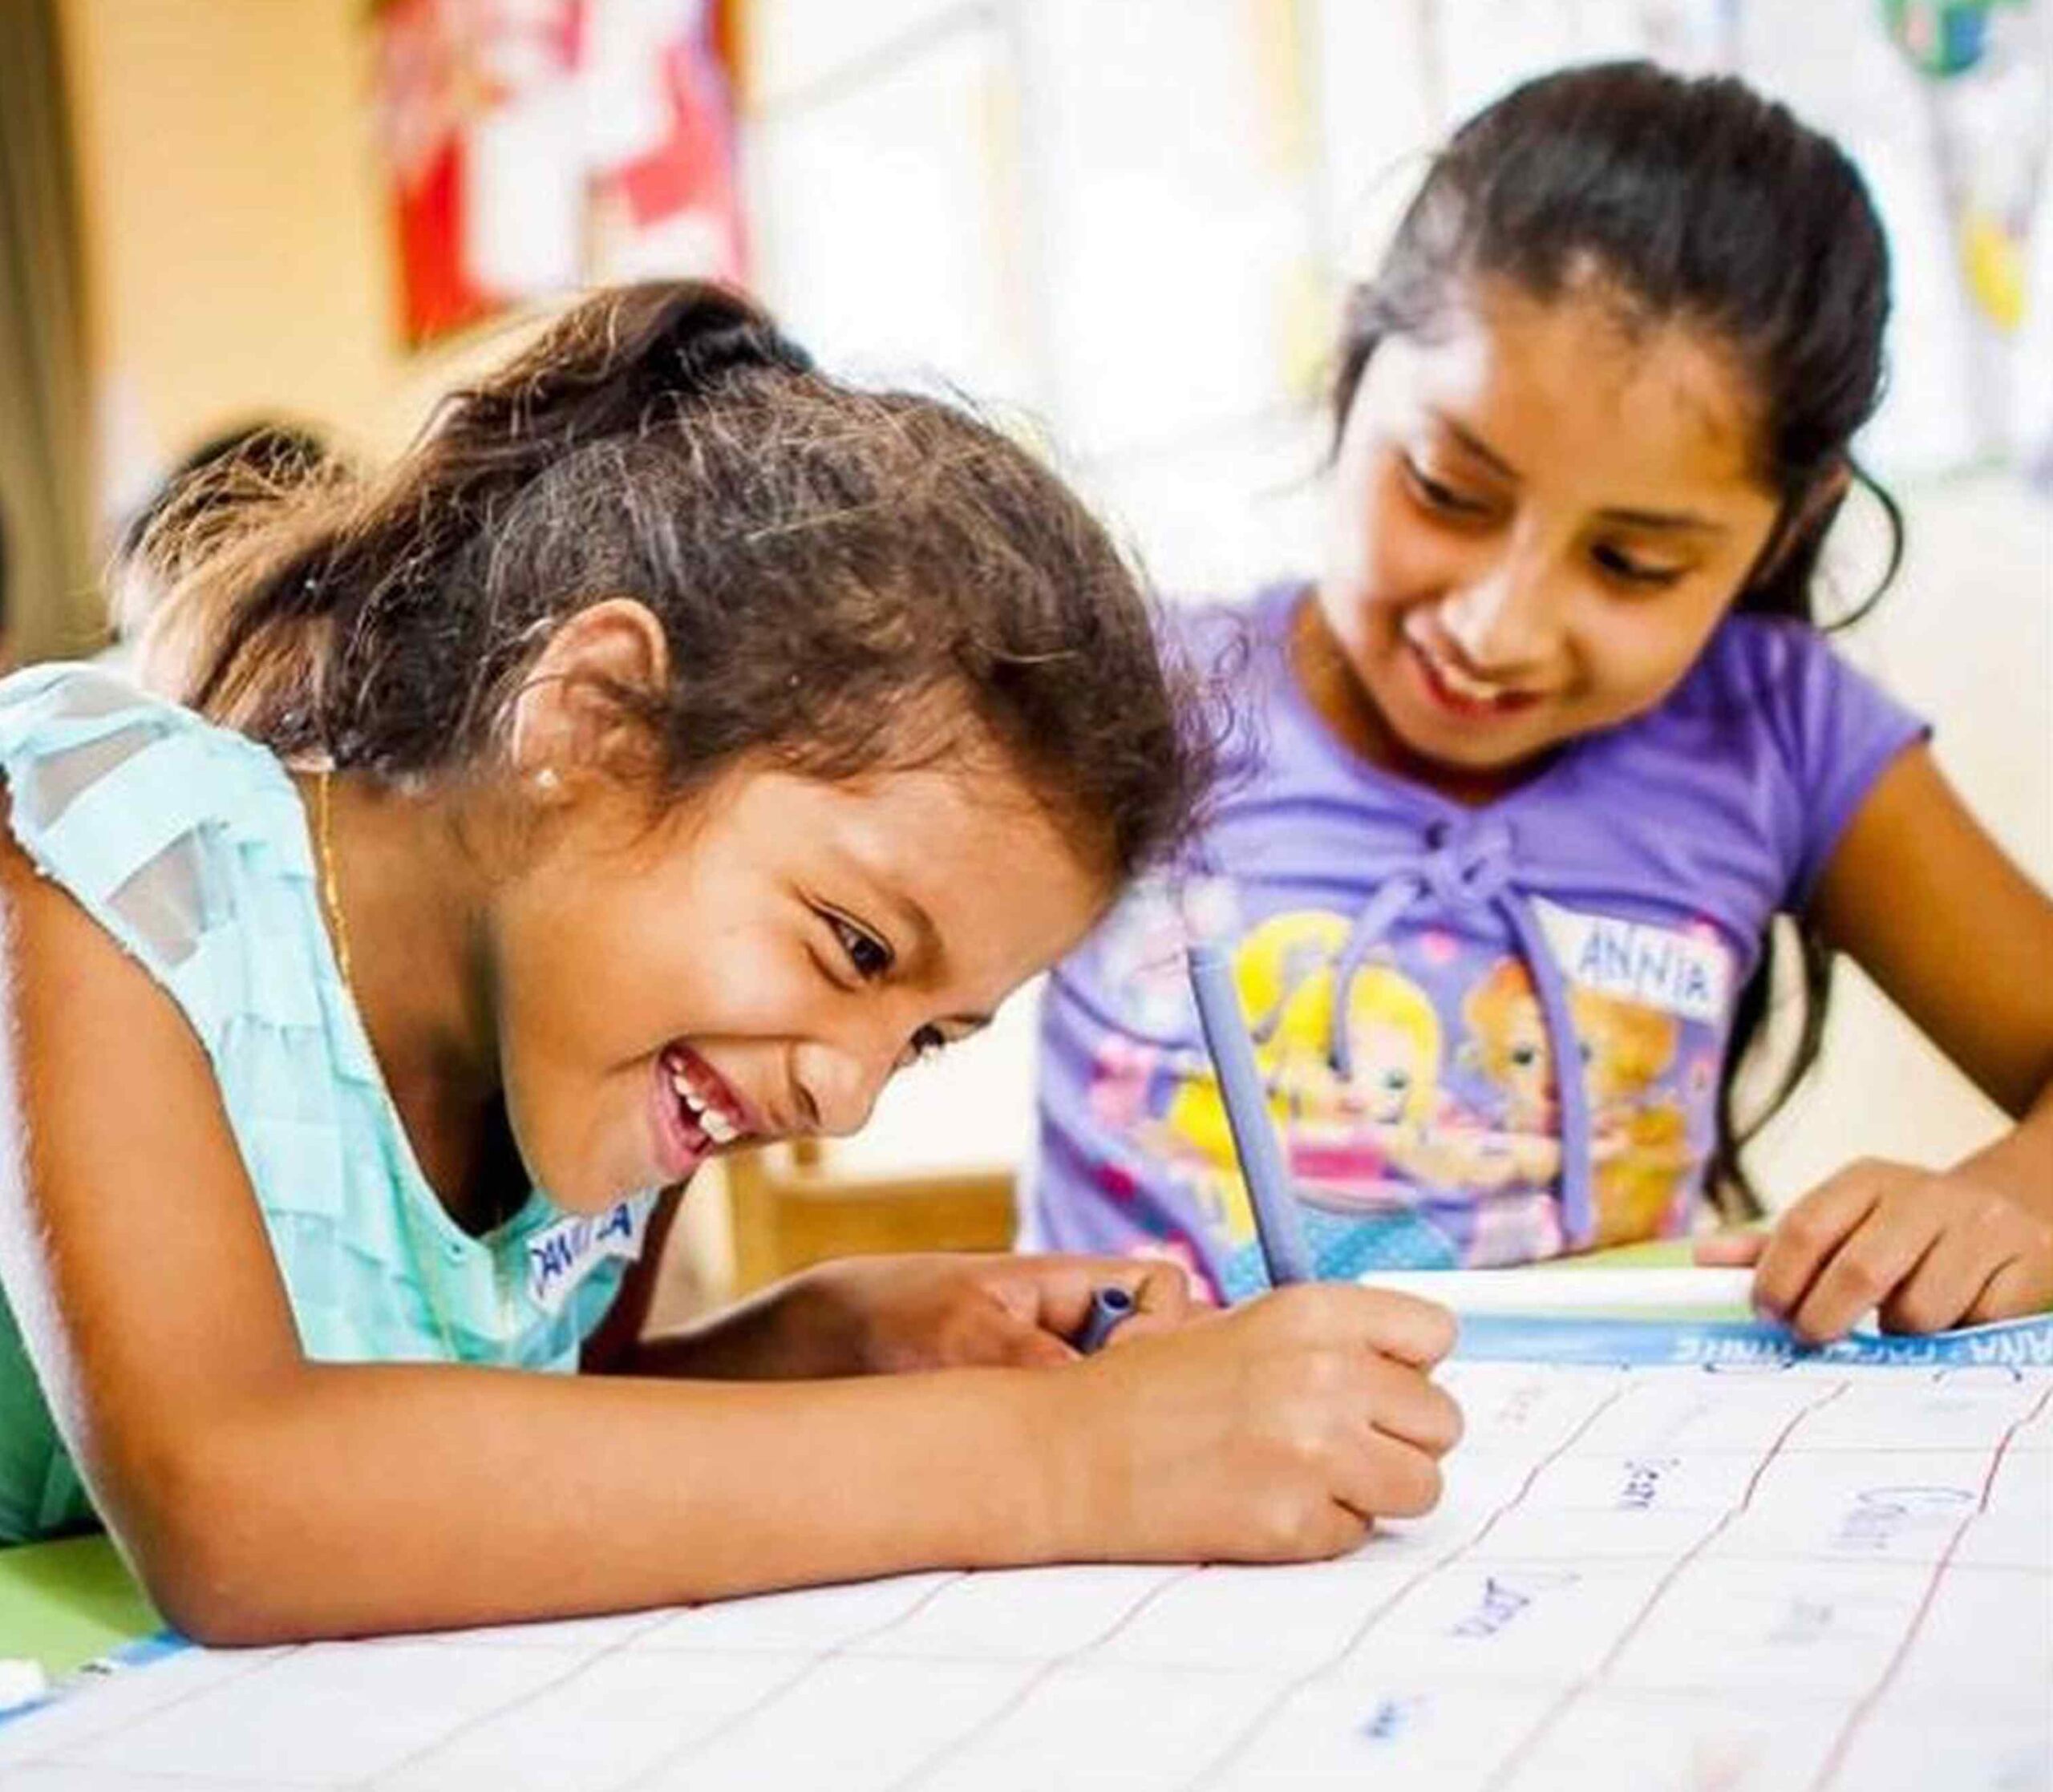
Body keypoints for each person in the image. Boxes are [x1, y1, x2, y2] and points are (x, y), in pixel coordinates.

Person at [0, 282, 1462, 1640]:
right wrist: (1061, 1457)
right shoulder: (107, 846)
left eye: (928, 1039)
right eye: (858, 948)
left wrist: (810, 1343)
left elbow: (489, 1449)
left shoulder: (608, 1013)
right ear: (593, 722)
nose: (845, 1098)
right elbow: (235, 1496)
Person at [1027, 63, 2053, 1345]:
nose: (1493, 626)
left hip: (1597, 1505)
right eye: (1449, 491)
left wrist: (2015, 1199)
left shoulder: (1780, 733)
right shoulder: (1141, 699)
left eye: (1632, 564)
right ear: (1353, 366)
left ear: (1793, 526)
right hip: (1126, 1498)